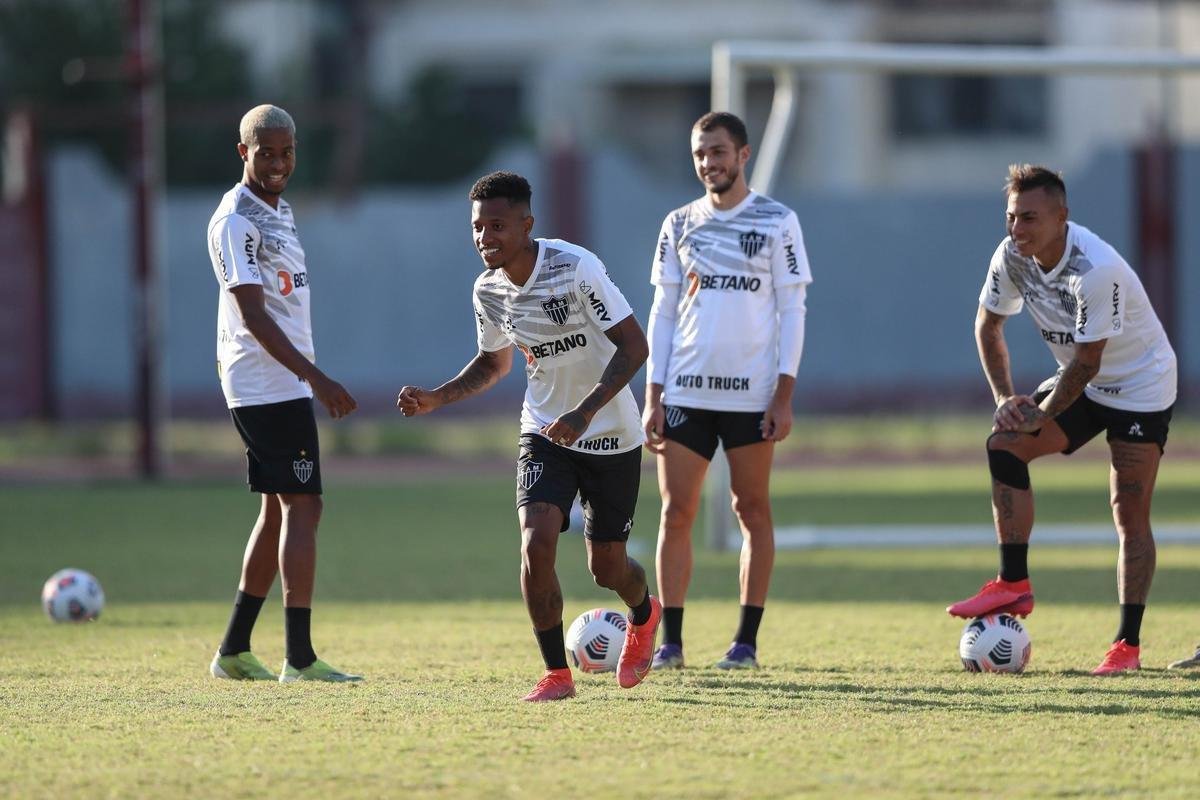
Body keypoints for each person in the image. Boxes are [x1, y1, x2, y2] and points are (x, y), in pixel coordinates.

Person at [396, 171, 660, 701]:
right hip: (543, 431)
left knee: (607, 567)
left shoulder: (575, 267)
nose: (484, 237)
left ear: (526, 225)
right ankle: (556, 675)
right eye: (477, 227)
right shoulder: (488, 291)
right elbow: (492, 365)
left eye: (497, 225)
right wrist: (436, 398)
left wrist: (584, 414)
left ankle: (644, 616)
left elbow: (635, 347)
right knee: (536, 544)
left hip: (610, 431)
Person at [947, 164, 1177, 676]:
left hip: (1140, 385)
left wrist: (1043, 414)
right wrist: (1007, 399)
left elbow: (1089, 360)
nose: (1017, 230)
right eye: (1011, 217)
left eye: (1029, 218)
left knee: (1128, 510)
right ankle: (1013, 584)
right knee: (1005, 442)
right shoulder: (1011, 256)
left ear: (1061, 218)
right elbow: (988, 326)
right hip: (1083, 380)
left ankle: (1127, 647)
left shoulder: (1094, 270)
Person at [643, 111, 812, 671]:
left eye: (718, 152)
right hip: (687, 392)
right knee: (675, 512)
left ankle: (746, 642)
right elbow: (664, 310)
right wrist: (653, 392)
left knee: (753, 510)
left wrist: (783, 394)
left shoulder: (777, 221)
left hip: (751, 396)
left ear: (742, 155)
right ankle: (671, 642)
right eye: (699, 154)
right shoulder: (678, 223)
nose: (708, 163)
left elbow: (793, 310)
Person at [205, 104, 362, 683]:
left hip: (284, 378)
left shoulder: (279, 209)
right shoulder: (235, 221)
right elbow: (252, 316)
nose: (277, 163)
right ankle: (299, 657)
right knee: (305, 504)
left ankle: (234, 650)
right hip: (265, 379)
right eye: (265, 152)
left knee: (277, 507)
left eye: (286, 152)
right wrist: (316, 379)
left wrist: (308, 375)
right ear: (242, 151)